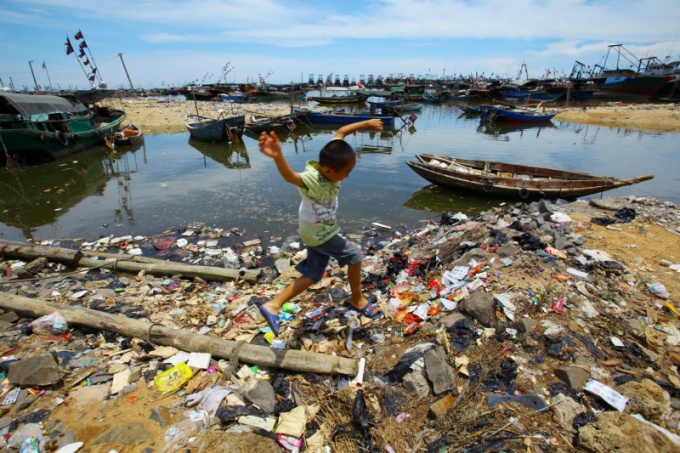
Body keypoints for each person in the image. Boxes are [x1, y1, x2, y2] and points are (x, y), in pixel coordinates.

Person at [257, 119, 385, 335]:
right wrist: (278, 156)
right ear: (327, 170)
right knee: (355, 256)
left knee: (313, 274)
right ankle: (357, 298)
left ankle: (273, 305)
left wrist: (368, 124)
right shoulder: (312, 179)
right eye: (346, 172)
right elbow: (290, 177)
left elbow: (342, 130)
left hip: (312, 232)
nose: (347, 176)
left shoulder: (333, 157)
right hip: (321, 234)